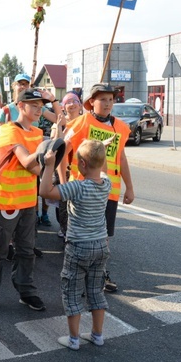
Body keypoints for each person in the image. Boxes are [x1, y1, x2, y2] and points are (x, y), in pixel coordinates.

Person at [0, 88, 48, 315]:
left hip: (27, 201)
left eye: (41, 105)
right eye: (34, 105)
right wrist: (50, 151)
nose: (39, 109)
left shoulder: (36, 132)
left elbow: (37, 169)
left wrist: (48, 155)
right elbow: (28, 162)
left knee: (26, 250)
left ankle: (26, 291)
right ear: (20, 106)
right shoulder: (9, 131)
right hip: (7, 200)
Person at [61, 83, 135, 294]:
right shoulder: (80, 123)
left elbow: (121, 157)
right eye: (102, 99)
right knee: (80, 237)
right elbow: (61, 153)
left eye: (111, 99)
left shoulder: (120, 127)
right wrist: (64, 182)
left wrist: (129, 187)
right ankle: (78, 276)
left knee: (103, 237)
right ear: (91, 102)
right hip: (82, 190)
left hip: (107, 191)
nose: (108, 103)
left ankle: (100, 274)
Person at [40, 139, 111, 350]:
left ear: (81, 164)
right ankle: (97, 335)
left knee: (72, 290)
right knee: (96, 291)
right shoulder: (107, 184)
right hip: (100, 245)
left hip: (79, 246)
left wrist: (50, 165)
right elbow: (103, 169)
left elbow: (45, 191)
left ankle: (73, 339)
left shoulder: (76, 188)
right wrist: (101, 150)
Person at [52, 92, 84, 240]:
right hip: (65, 170)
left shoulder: (86, 122)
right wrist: (59, 129)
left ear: (80, 105)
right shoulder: (60, 124)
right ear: (63, 108)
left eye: (74, 101)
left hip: (83, 170)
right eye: (67, 102)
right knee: (64, 204)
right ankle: (65, 230)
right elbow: (56, 147)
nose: (72, 104)